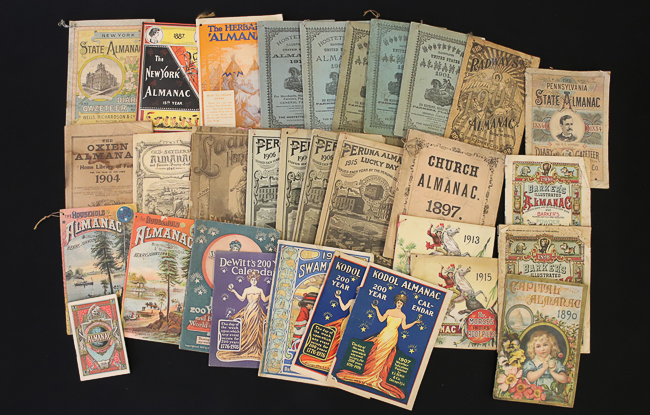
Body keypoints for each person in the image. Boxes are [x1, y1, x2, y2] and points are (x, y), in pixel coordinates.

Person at [335, 294, 421, 399]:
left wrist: (415, 322)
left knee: (385, 356)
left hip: (393, 336)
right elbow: (381, 319)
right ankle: (371, 373)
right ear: (396, 302)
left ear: (403, 305)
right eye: (398, 302)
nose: (399, 304)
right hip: (384, 333)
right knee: (377, 352)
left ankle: (377, 376)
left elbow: (404, 327)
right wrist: (376, 309)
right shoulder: (389, 311)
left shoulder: (403, 315)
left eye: (401, 303)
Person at [298, 287, 358, 372]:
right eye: (357, 291)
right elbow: (344, 308)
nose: (358, 292)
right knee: (340, 340)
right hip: (346, 322)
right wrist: (339, 298)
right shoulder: (352, 301)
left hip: (354, 324)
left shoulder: (363, 304)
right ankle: (334, 362)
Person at [216, 270, 269, 361]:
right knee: (248, 328)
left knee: (256, 329)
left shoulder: (260, 290)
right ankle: (247, 347)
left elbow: (264, 300)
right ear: (250, 280)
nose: (254, 281)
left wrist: (273, 293)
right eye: (252, 279)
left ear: (257, 280)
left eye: (255, 280)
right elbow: (241, 299)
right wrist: (234, 291)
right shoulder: (246, 290)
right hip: (248, 311)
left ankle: (255, 348)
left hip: (256, 311)